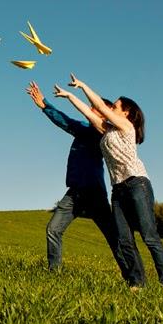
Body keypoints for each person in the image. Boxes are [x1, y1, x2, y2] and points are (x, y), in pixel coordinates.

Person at [53, 74, 163, 291]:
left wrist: (82, 85)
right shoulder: (105, 130)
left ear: (125, 112)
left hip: (137, 184)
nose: (113, 108)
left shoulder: (126, 126)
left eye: (117, 106)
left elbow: (99, 105)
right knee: (124, 239)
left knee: (149, 236)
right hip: (118, 190)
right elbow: (89, 111)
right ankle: (137, 283)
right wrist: (70, 95)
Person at [26, 81, 127, 277]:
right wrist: (45, 105)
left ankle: (133, 277)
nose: (89, 110)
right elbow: (67, 121)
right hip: (75, 192)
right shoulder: (84, 129)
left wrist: (46, 105)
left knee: (112, 237)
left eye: (94, 108)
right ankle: (54, 273)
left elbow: (67, 122)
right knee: (53, 229)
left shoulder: (103, 133)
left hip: (94, 192)